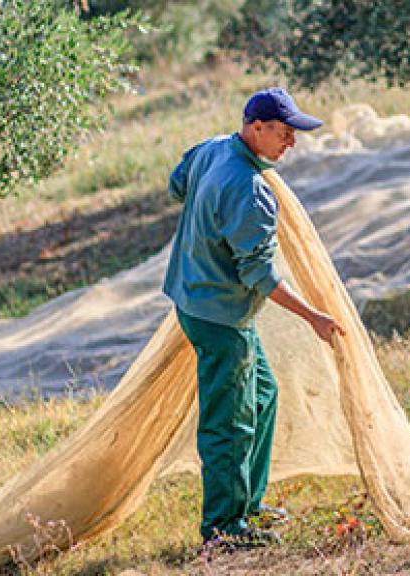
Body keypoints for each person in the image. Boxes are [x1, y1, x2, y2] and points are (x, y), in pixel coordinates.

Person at [163, 87, 345, 548]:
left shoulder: (211, 150)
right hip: (221, 318)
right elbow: (261, 276)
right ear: (256, 127)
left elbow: (175, 184)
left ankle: (249, 503)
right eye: (284, 133)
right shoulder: (250, 192)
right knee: (229, 424)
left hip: (194, 299)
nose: (292, 143)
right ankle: (223, 529)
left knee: (262, 394)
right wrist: (314, 317)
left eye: (294, 134)